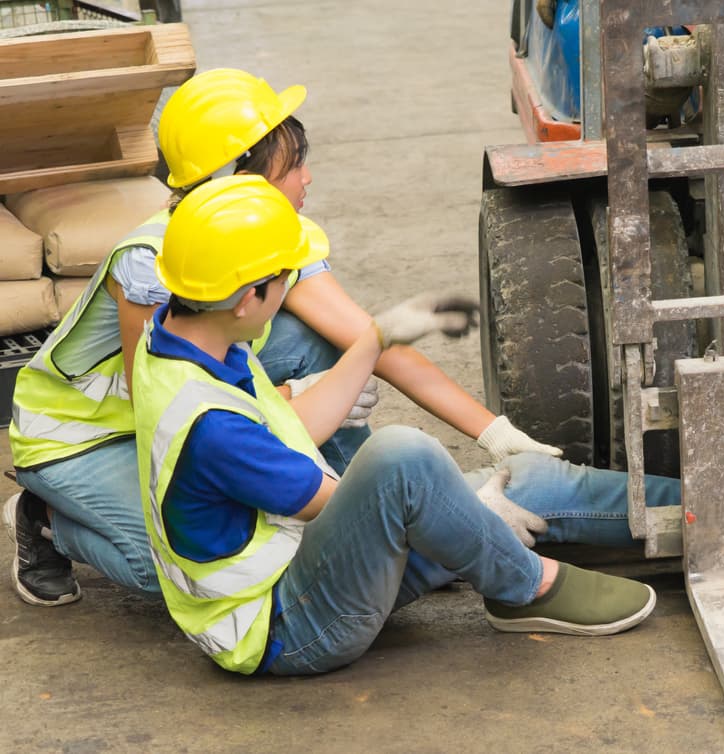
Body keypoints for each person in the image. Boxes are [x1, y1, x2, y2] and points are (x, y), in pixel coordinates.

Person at [4, 68, 561, 607]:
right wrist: (291, 404)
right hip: (82, 436)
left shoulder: (268, 238)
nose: (308, 179)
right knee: (169, 566)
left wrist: (495, 432)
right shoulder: (156, 265)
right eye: (294, 165)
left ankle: (373, 519)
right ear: (241, 180)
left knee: (318, 345)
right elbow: (156, 412)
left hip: (178, 413)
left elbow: (370, 343)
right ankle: (43, 518)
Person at [133, 175, 669, 674]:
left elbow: (298, 426)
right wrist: (470, 516)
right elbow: (352, 501)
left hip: (307, 561)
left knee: (525, 478)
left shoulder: (187, 338)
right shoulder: (210, 423)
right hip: (290, 624)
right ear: (248, 298)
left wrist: (377, 337)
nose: (290, 289)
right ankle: (527, 587)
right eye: (284, 281)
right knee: (403, 460)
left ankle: (716, 510)